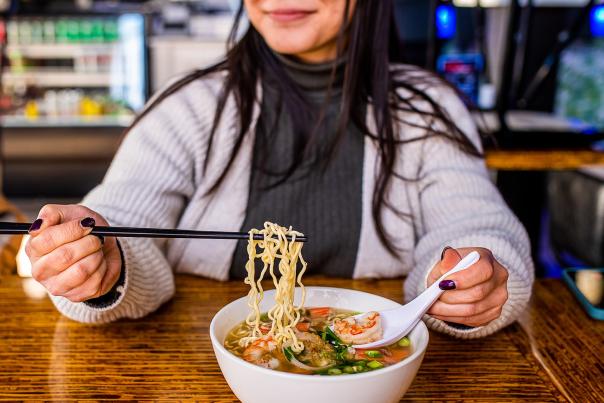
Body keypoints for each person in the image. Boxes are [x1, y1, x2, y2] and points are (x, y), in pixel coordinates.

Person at [24, 0, 533, 338]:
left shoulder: (425, 109)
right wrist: (101, 260)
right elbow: (121, 216)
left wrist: (475, 278)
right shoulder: (191, 107)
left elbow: (472, 222)